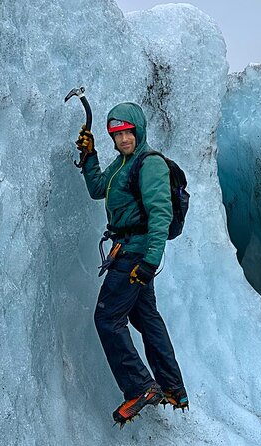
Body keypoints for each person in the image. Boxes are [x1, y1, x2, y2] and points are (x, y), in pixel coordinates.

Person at [75, 102, 188, 426]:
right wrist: (90, 155)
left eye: (128, 132)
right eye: (117, 134)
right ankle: (173, 387)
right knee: (146, 318)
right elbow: (98, 189)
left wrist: (150, 260)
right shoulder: (124, 162)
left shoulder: (149, 164)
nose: (123, 139)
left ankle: (140, 387)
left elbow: (160, 215)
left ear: (139, 130)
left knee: (108, 317)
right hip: (129, 250)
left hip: (135, 254)